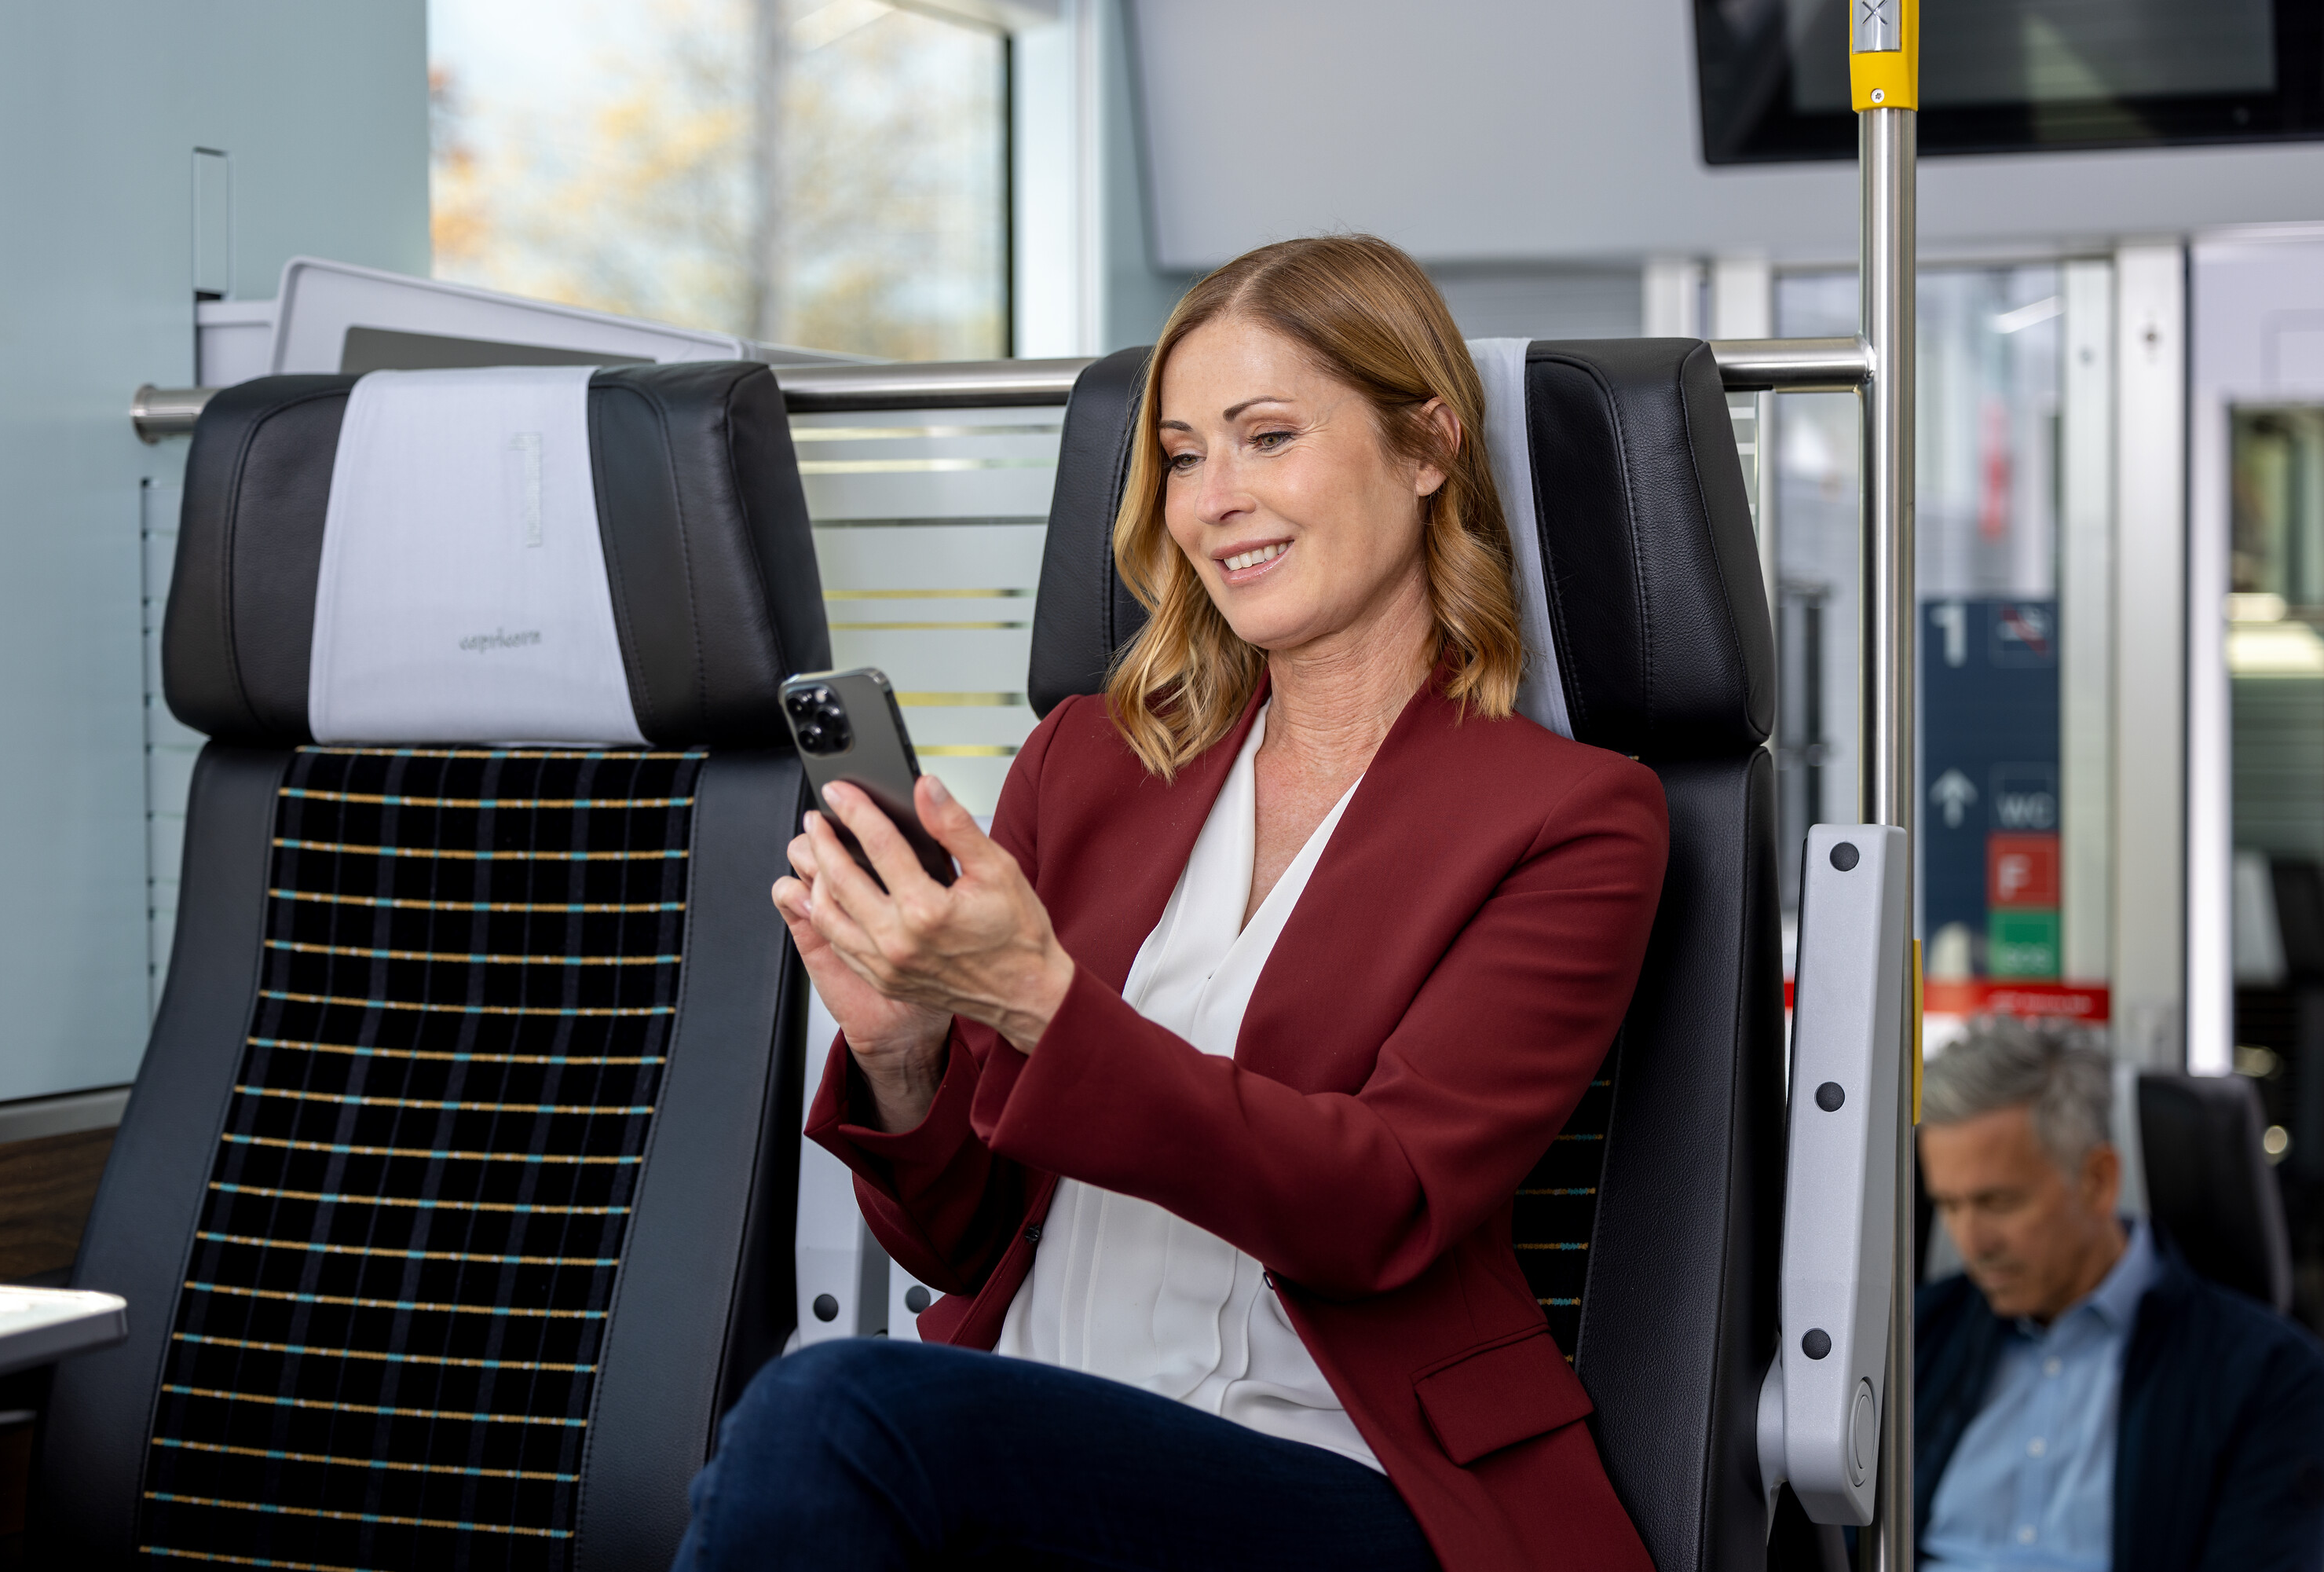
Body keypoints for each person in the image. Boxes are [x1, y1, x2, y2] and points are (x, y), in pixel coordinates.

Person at [668, 235, 1670, 1571]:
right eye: (1186, 456)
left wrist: (1044, 1002)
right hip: (1050, 1430)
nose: (1215, 501)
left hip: (1342, 1472)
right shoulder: (1091, 762)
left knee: (828, 1415)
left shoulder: (1573, 815)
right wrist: (903, 1051)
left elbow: (1383, 1203)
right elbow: (964, 1241)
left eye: (1266, 438)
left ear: (1427, 444)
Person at [1916, 1016, 2324, 1572]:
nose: (1972, 1242)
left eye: (1999, 1202)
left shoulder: (2267, 1378)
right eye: (1950, 1205)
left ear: (2099, 1179)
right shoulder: (1917, 1339)